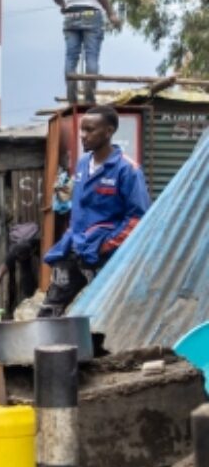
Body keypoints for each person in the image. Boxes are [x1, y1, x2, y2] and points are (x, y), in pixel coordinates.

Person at [40, 105, 149, 317]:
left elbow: (137, 218)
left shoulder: (127, 170)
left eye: (90, 130)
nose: (83, 135)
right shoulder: (82, 164)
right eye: (82, 129)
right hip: (75, 249)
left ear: (108, 132)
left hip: (104, 257)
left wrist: (106, 245)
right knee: (49, 311)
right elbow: (79, 209)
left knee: (103, 315)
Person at [53, 0, 121, 105]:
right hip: (91, 13)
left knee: (71, 58)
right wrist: (111, 13)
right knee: (91, 57)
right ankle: (89, 99)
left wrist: (64, 5)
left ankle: (72, 100)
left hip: (71, 15)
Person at [0, 221, 42, 309]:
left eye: (23, 256)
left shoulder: (36, 244)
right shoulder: (12, 254)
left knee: (27, 275)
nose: (21, 259)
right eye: (20, 257)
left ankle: (30, 298)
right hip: (23, 247)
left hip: (30, 245)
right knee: (26, 276)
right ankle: (28, 299)